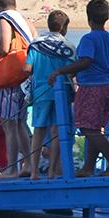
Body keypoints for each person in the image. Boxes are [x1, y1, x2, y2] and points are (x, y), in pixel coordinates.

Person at [48, 0, 109, 177]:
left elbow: (86, 60)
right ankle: (88, 166)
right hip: (108, 87)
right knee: (95, 127)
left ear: (89, 19)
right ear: (107, 17)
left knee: (87, 127)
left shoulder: (89, 38)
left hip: (92, 87)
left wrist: (62, 70)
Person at [0, 0, 37, 178]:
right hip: (24, 78)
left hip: (9, 79)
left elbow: (5, 47)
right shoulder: (26, 22)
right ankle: (29, 164)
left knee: (9, 125)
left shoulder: (4, 20)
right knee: (20, 123)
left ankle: (12, 168)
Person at [23, 10, 75, 180]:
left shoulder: (36, 44)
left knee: (38, 130)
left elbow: (27, 69)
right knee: (57, 131)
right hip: (62, 93)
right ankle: (53, 171)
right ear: (64, 27)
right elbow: (72, 71)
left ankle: (34, 172)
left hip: (40, 91)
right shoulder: (68, 47)